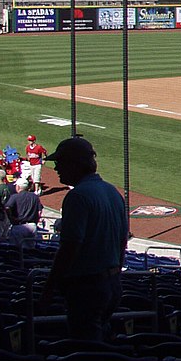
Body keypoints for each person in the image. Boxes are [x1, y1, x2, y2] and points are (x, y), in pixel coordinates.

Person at [38, 136, 128, 342]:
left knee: (87, 347)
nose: (57, 168)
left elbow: (70, 247)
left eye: (60, 162)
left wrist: (49, 289)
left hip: (88, 286)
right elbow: (122, 241)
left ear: (75, 164)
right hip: (112, 283)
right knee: (100, 337)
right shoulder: (111, 191)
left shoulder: (78, 196)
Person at [5, 177, 44, 247]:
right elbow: (39, 212)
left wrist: (11, 218)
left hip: (19, 226)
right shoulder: (35, 197)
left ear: (19, 187)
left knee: (15, 249)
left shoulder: (15, 197)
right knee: (30, 249)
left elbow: (7, 207)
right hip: (32, 226)